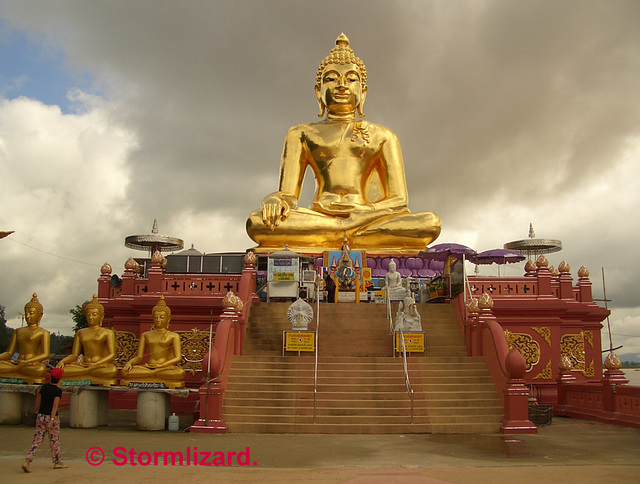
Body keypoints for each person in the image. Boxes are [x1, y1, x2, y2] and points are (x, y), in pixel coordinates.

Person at [246, 34, 441, 251]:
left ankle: (341, 232)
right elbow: (288, 196)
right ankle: (347, 232)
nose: (341, 85)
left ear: (363, 92)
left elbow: (398, 199)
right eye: (331, 78)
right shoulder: (300, 133)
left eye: (350, 79)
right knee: (257, 222)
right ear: (318, 92)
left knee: (430, 223)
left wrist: (364, 212)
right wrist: (274, 199)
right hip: (320, 215)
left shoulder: (384, 135)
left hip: (366, 215)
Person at [121, 296, 185, 388]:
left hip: (164, 367)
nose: (158, 320)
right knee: (127, 372)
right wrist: (130, 363)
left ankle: (153, 373)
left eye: (162, 317)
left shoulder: (173, 336)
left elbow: (178, 357)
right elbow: (139, 357)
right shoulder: (145, 335)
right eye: (156, 317)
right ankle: (153, 373)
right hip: (148, 366)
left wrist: (161, 365)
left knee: (180, 373)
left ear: (168, 318)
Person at [55, 294, 117, 385]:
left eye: (94, 314)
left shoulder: (107, 332)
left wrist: (96, 364)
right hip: (83, 365)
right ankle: (87, 372)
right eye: (88, 315)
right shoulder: (81, 332)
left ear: (101, 316)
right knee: (62, 370)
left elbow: (112, 354)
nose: (91, 317)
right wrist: (63, 361)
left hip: (99, 366)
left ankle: (86, 373)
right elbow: (74, 355)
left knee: (112, 370)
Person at [22, 367, 67, 472]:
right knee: (54, 440)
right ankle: (57, 462)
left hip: (41, 416)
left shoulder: (43, 387)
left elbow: (38, 401)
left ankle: (27, 461)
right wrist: (51, 419)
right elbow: (55, 406)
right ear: (60, 378)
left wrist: (37, 413)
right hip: (51, 417)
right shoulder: (57, 391)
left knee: (37, 440)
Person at [0, 293, 50, 384]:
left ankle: (16, 370)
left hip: (31, 364)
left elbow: (45, 354)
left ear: (40, 315)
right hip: (17, 362)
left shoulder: (43, 333)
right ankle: (16, 369)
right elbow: (9, 353)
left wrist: (27, 361)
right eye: (26, 313)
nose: (27, 316)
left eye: (31, 313)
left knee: (40, 369)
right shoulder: (18, 331)